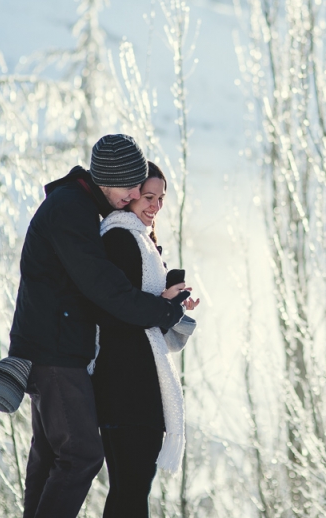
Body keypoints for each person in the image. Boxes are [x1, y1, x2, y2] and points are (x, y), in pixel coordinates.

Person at [7, 135, 187, 518]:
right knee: (81, 454)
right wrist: (164, 310)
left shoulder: (78, 207)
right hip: (56, 349)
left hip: (50, 343)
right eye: (131, 187)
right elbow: (106, 288)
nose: (137, 195)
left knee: (51, 455)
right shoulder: (72, 210)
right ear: (106, 180)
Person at [90, 162, 200, 518]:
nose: (155, 205)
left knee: (130, 490)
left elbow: (142, 307)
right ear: (131, 195)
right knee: (132, 489)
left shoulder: (141, 241)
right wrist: (165, 306)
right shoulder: (121, 239)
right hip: (126, 385)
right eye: (148, 197)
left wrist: (172, 300)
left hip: (134, 384)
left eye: (161, 198)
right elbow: (118, 311)